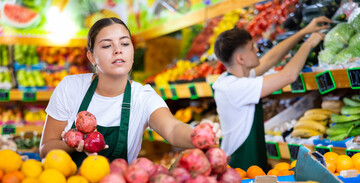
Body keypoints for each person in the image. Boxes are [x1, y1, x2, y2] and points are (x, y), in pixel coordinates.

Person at [40, 17, 220, 167]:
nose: (118, 50)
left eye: (125, 43)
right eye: (106, 46)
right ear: (91, 57)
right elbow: (46, 148)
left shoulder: (142, 97)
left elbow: (172, 129)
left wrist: (198, 135)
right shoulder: (71, 87)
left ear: (132, 53)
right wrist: (72, 145)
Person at [212, 16, 332, 172]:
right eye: (251, 48)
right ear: (240, 58)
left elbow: (270, 59)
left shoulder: (231, 79)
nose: (257, 50)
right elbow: (289, 76)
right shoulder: (236, 88)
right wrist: (308, 43)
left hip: (248, 159)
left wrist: (304, 32)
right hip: (241, 164)